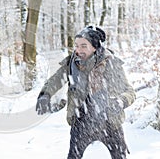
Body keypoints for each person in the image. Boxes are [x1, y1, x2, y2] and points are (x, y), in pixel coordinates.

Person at [35, 26, 136, 159]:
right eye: (76, 46)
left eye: (83, 46)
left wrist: (120, 101)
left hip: (110, 122)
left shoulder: (111, 63)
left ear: (94, 47)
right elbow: (55, 80)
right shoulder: (72, 63)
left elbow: (129, 92)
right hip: (81, 121)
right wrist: (45, 95)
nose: (78, 50)